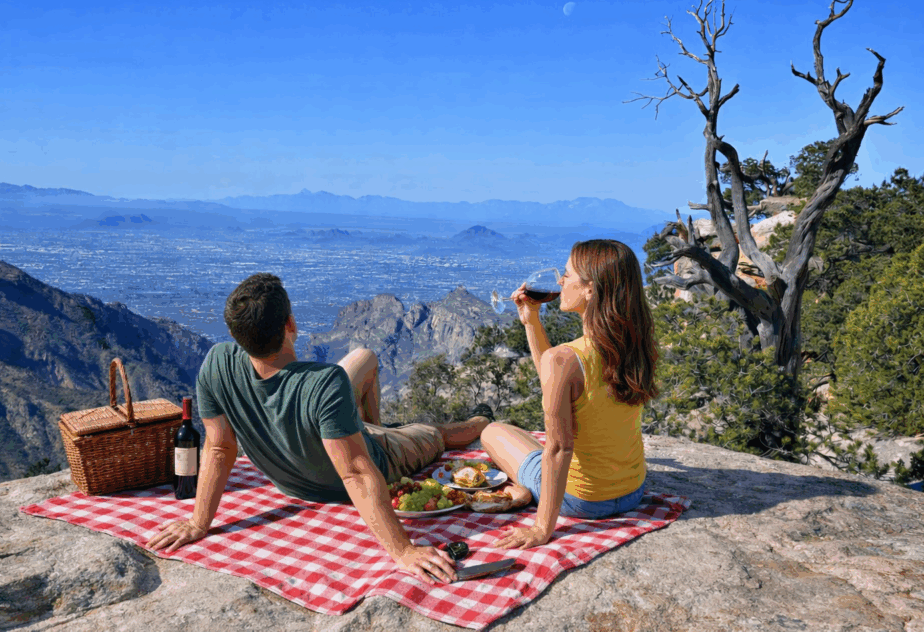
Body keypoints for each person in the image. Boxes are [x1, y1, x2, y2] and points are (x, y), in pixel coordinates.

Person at [145, 272, 496, 584]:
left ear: (238, 336)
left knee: (365, 356)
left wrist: (198, 524)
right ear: (291, 325)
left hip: (310, 460)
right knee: (434, 434)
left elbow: (219, 448)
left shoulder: (218, 364)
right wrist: (403, 551)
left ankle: (366, 428)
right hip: (375, 459)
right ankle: (483, 419)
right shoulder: (324, 383)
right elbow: (358, 474)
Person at [481, 239, 659, 550]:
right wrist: (531, 321)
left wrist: (541, 528)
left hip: (582, 501)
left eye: (567, 274)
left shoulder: (566, 358)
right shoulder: (636, 342)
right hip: (632, 492)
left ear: (590, 290)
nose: (560, 282)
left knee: (493, 431)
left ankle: (524, 491)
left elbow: (559, 450)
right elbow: (553, 380)